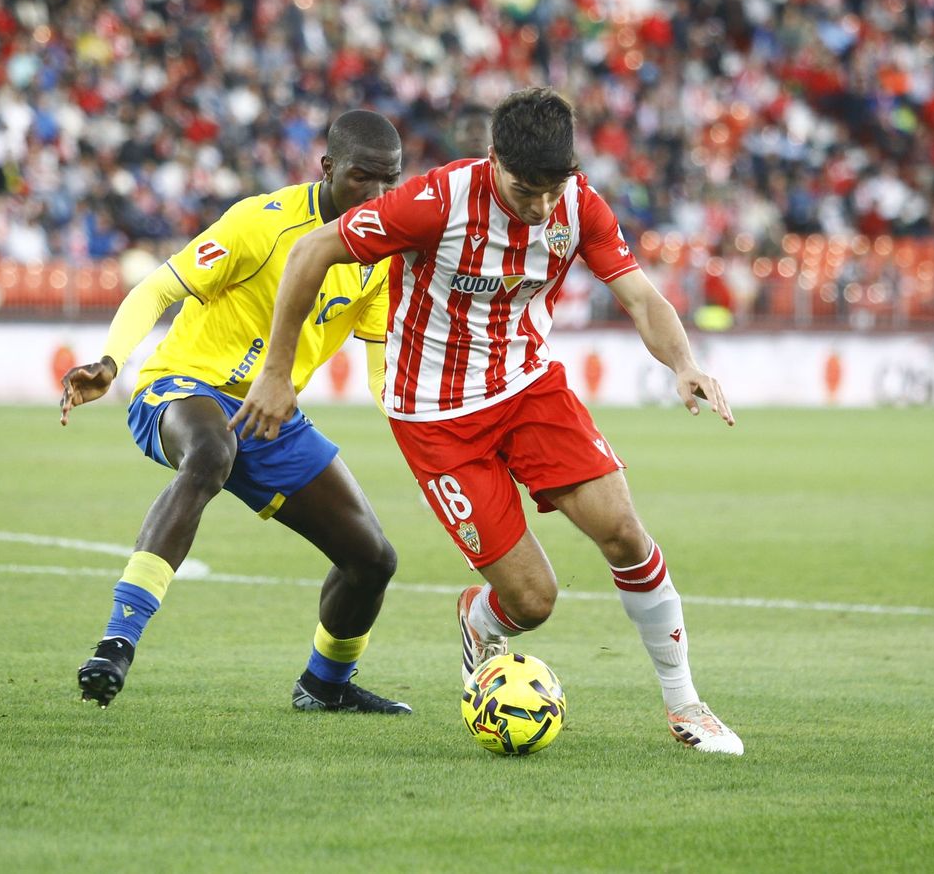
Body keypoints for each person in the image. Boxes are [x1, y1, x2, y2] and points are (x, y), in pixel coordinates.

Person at [233, 87, 744, 754]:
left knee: (623, 532)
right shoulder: (435, 201)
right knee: (533, 602)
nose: (538, 207)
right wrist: (275, 372)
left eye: (550, 190)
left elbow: (640, 295)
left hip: (529, 389)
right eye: (525, 189)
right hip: (437, 419)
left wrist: (683, 363)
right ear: (494, 158)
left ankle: (687, 709)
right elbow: (310, 254)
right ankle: (479, 619)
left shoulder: (579, 204)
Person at [60, 110, 412, 713]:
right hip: (183, 387)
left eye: (391, 181)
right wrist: (111, 362)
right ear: (327, 169)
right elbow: (157, 288)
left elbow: (384, 369)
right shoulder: (262, 222)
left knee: (372, 560)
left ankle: (324, 685)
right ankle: (117, 642)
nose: (378, 197)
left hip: (272, 417)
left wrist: (431, 429)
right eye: (363, 178)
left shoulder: (383, 253)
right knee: (211, 453)